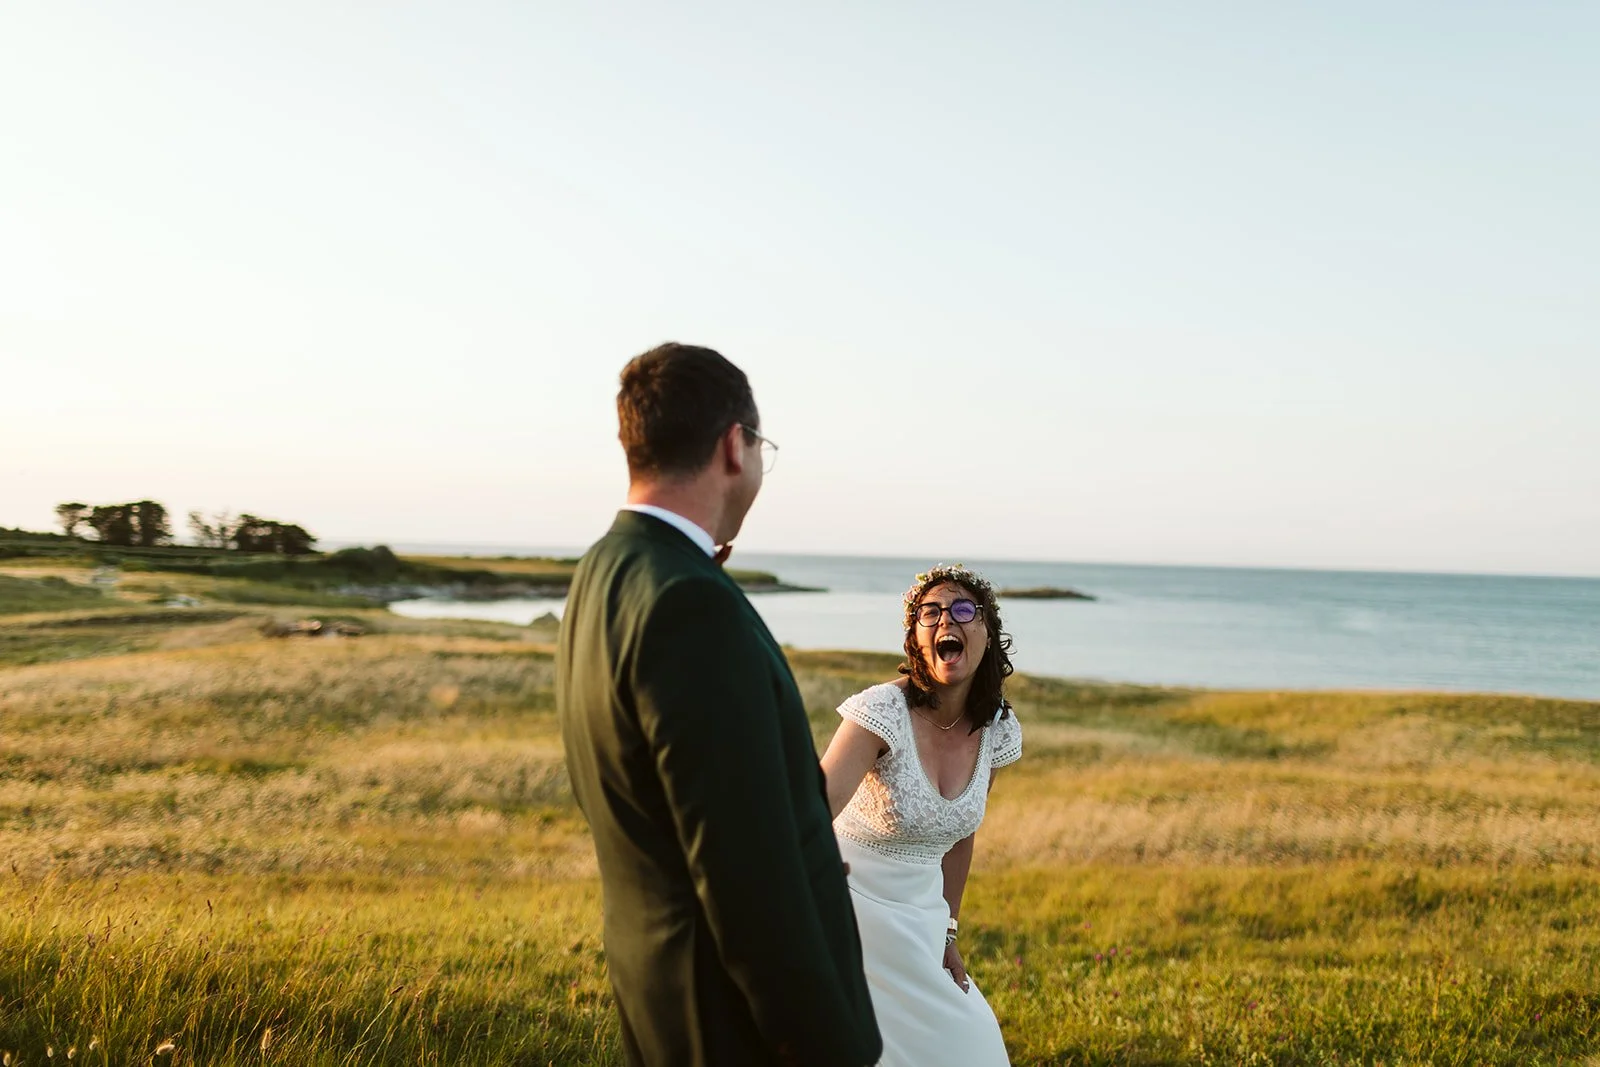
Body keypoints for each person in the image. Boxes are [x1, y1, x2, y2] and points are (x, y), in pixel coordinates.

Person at [556, 343, 881, 1067]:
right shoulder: (690, 604)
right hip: (732, 1026)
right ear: (735, 446)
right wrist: (823, 1045)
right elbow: (745, 876)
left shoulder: (605, 570)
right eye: (761, 446)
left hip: (659, 992)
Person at [819, 563, 1022, 1066]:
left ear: (987, 632)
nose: (944, 621)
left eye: (962, 610)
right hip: (847, 908)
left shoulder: (997, 729)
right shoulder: (882, 710)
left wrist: (948, 931)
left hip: (922, 919)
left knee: (975, 1046)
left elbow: (961, 836)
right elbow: (811, 811)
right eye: (929, 613)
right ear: (915, 636)